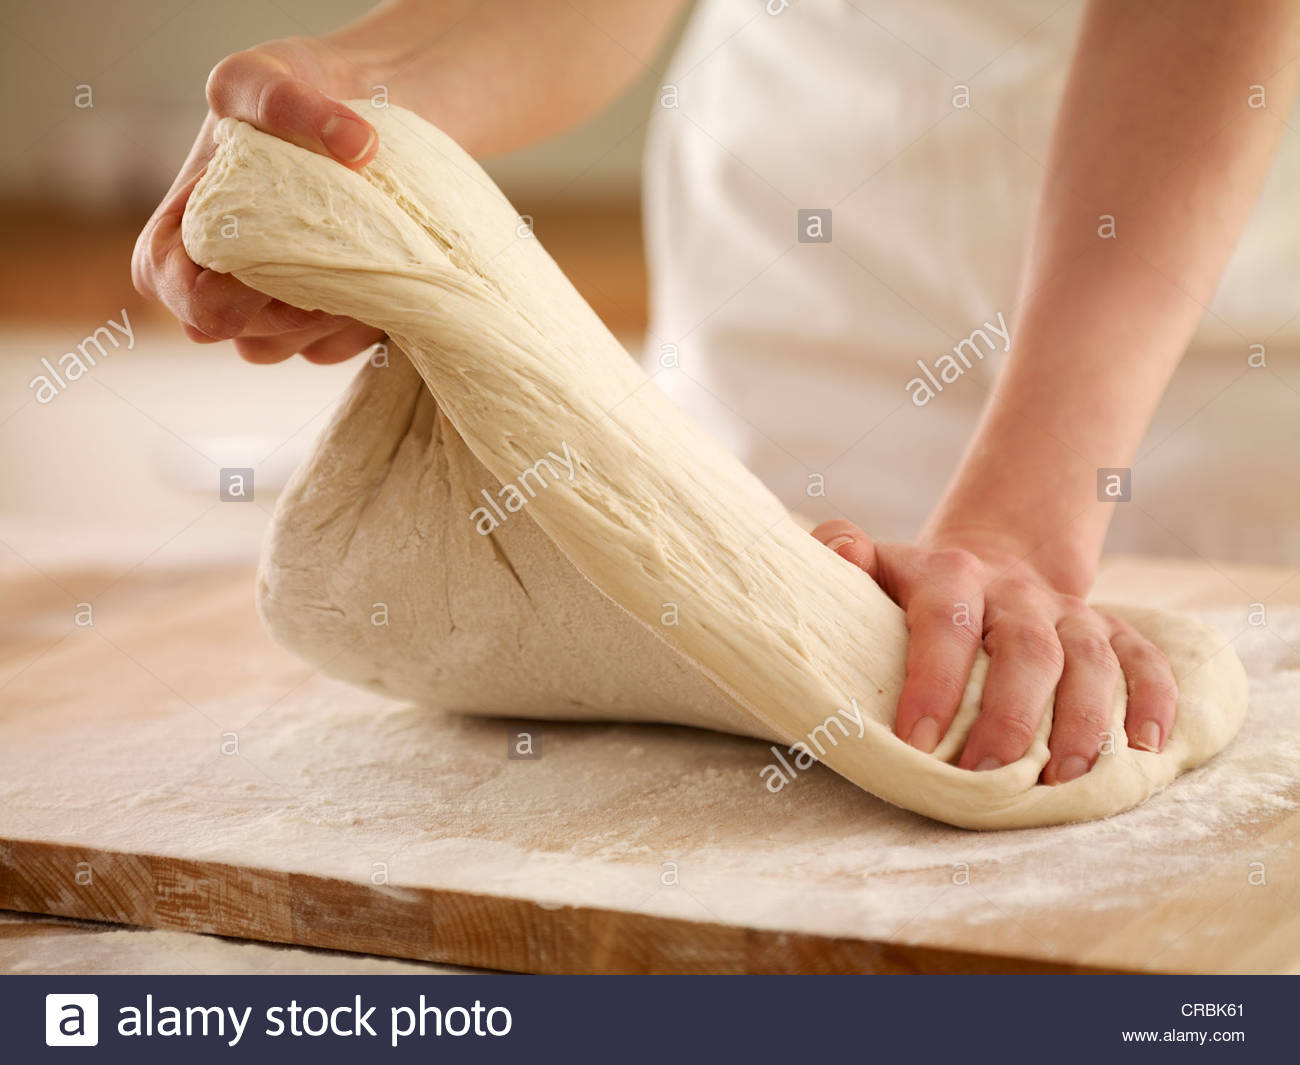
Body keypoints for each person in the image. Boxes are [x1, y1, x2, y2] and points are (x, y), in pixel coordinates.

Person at [133, 0, 1300, 785]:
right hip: (794, 242)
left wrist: (1027, 522)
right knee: (722, 643)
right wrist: (361, 99)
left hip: (1189, 335)